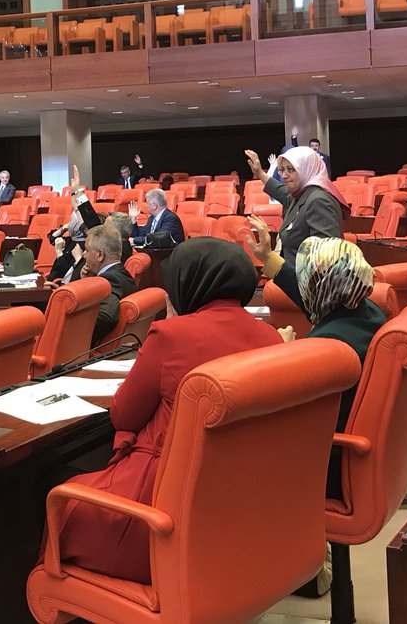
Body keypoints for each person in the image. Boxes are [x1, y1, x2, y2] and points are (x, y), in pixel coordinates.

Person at [50, 237, 281, 583]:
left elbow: (123, 415)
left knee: (55, 488)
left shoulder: (172, 334)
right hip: (233, 514)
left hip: (158, 511)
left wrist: (174, 323)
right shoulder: (270, 337)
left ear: (190, 283)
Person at [243, 218, 385, 598]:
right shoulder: (364, 312)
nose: (303, 286)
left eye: (307, 279)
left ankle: (288, 570)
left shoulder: (327, 346)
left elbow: (291, 410)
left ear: (320, 289)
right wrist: (269, 259)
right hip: (358, 453)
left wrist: (285, 353)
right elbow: (317, 296)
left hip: (326, 464)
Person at [245, 146, 347, 264]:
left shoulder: (318, 201)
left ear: (307, 169)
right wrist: (260, 173)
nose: (284, 175)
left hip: (305, 276)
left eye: (291, 169)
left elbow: (325, 261)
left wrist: (268, 258)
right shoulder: (302, 194)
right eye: (282, 169)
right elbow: (282, 193)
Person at [79, 224, 136, 346]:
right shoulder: (124, 275)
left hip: (88, 352)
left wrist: (72, 330)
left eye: (87, 250)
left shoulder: (109, 280)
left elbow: (106, 318)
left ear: (100, 254)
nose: (84, 255)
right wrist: (87, 284)